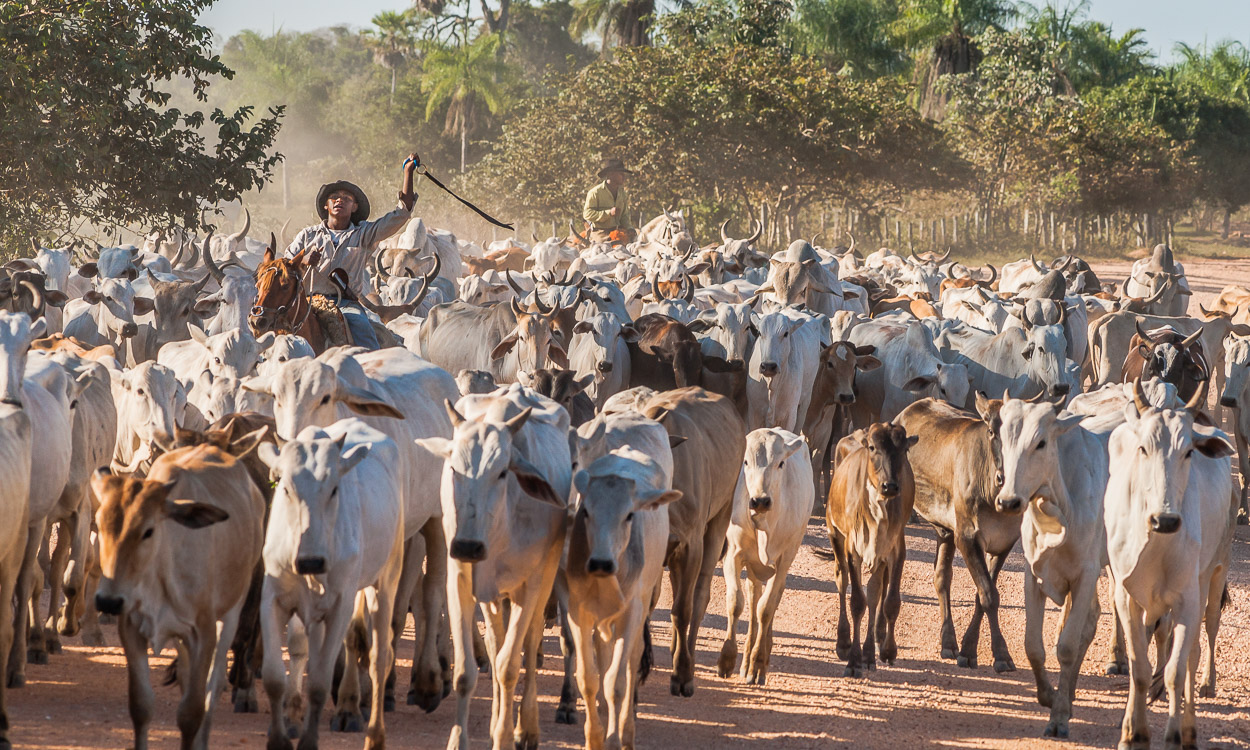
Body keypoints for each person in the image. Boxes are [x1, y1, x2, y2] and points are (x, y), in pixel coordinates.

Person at [284, 153, 419, 348]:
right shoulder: (308, 235)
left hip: (345, 305)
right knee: (275, 338)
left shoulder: (363, 234)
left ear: (354, 207)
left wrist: (408, 173)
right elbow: (285, 266)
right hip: (306, 303)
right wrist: (303, 260)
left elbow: (400, 214)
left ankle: (370, 371)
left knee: (364, 335)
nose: (340, 201)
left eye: (347, 198)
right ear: (326, 205)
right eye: (334, 198)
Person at [582, 157, 635, 243]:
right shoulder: (595, 193)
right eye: (620, 173)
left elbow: (624, 215)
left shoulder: (622, 194)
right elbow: (587, 214)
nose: (624, 177)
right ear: (611, 174)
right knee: (600, 251)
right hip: (599, 233)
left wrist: (629, 228)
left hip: (617, 232)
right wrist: (609, 213)